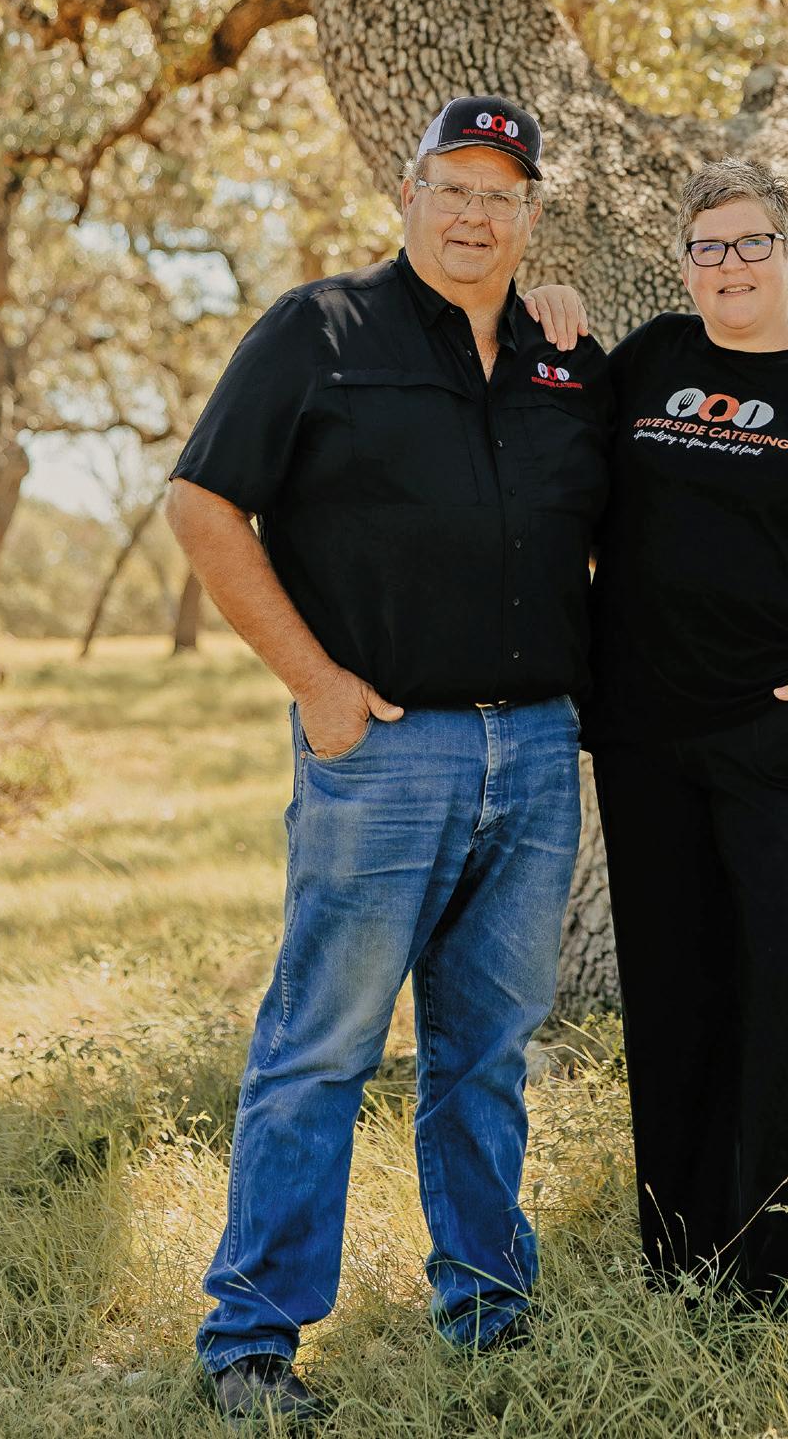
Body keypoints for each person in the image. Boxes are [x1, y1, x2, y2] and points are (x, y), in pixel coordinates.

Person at [165, 95, 610, 1423]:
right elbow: (200, 501)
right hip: (386, 752)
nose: (475, 214)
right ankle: (252, 1339)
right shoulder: (320, 329)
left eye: (502, 195)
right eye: (452, 188)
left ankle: (488, 1307)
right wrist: (317, 685)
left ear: (531, 216)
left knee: (487, 1052)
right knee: (322, 1045)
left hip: (538, 749)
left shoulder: (568, 357)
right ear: (407, 197)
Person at [526, 158, 788, 1320]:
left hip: (784, 738)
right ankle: (690, 1257)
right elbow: (550, 412)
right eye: (707, 246)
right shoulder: (653, 359)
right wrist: (552, 307)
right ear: (685, 264)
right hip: (646, 737)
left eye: (751, 242)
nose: (730, 264)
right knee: (674, 990)